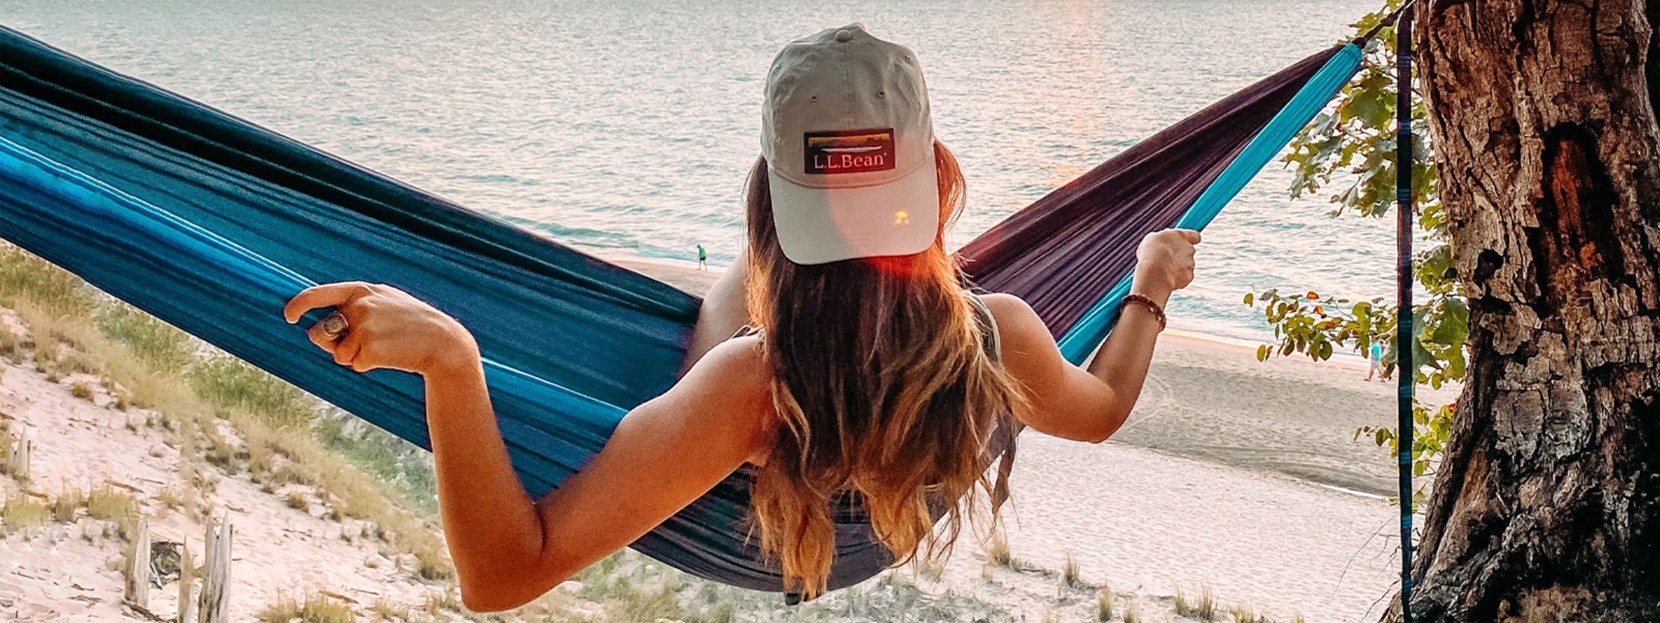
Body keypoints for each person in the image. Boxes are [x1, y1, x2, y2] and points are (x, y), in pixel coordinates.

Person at [282, 24, 1199, 612]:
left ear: (767, 195)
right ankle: (849, 241)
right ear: (941, 178)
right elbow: (1105, 408)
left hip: (777, 486)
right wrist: (1148, 285)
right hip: (879, 499)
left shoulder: (749, 386)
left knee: (737, 295)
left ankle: (801, 250)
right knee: (769, 296)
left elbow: (501, 575)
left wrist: (454, 359)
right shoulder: (1001, 334)